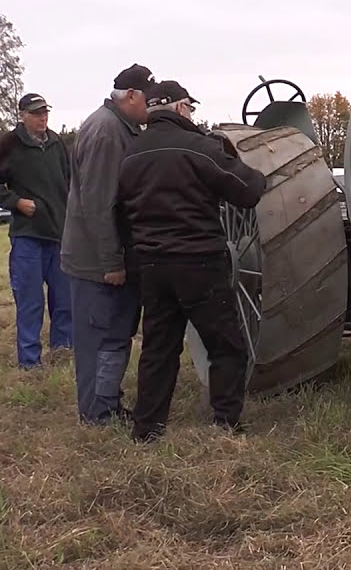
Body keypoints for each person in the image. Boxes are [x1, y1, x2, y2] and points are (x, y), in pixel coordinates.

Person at [117, 80, 266, 442]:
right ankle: (225, 424)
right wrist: (260, 173)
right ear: (180, 107)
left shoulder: (132, 154)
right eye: (190, 107)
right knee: (226, 346)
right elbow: (247, 191)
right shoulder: (198, 148)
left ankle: (147, 429)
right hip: (199, 262)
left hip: (152, 265)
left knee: (158, 348)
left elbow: (119, 213)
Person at [60, 64, 154, 425]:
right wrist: (111, 262)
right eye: (148, 96)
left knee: (115, 334)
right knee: (100, 338)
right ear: (130, 95)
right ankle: (97, 412)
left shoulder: (120, 127)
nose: (151, 104)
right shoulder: (106, 133)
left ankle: (107, 404)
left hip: (106, 258)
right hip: (96, 264)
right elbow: (99, 203)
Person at [0, 93, 73, 369]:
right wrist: (16, 202)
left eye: (45, 112)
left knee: (64, 301)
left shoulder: (57, 143)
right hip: (28, 237)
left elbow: (68, 182)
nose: (42, 118)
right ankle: (30, 363)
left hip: (59, 236)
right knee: (31, 304)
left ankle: (63, 352)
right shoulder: (10, 144)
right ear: (22, 115)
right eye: (35, 113)